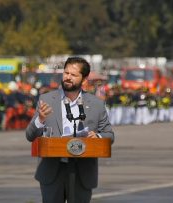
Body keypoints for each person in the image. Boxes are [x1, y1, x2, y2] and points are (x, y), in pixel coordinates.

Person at [26, 57, 114, 203]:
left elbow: (109, 135)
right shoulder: (46, 99)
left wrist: (97, 137)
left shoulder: (96, 105)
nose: (68, 77)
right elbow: (29, 135)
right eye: (66, 73)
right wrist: (40, 120)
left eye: (73, 75)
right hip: (52, 170)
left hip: (82, 171)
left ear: (84, 80)